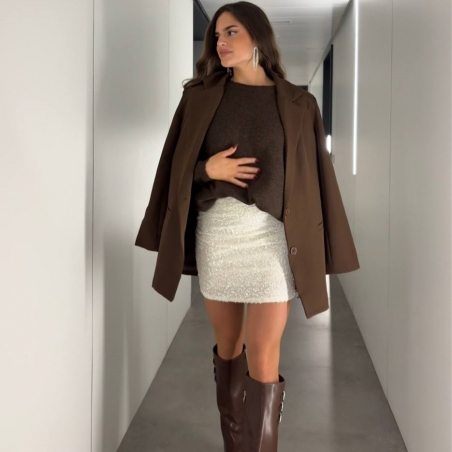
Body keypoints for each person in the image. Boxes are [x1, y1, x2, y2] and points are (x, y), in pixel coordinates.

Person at [135, 1, 360, 450]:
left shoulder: (300, 103)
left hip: (274, 241)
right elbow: (172, 168)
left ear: (257, 36)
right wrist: (208, 170)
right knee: (228, 346)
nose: (220, 42)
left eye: (231, 32)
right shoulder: (198, 97)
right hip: (219, 235)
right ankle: (234, 442)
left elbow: (314, 177)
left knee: (264, 354)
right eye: (217, 35)